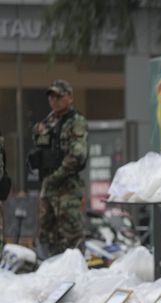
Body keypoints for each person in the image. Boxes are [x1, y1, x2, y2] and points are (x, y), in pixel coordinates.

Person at [30, 80, 88, 256]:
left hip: (66, 187)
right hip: (48, 186)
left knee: (71, 235)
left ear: (69, 98)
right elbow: (39, 140)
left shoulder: (76, 121)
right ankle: (50, 270)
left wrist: (56, 176)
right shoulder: (49, 120)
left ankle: (76, 274)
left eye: (58, 96)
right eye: (51, 97)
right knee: (47, 234)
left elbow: (78, 155)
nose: (54, 100)